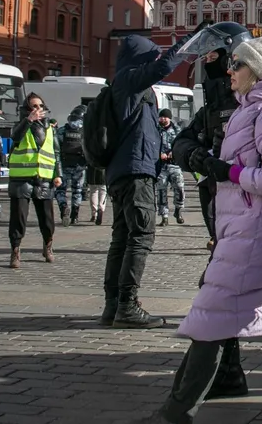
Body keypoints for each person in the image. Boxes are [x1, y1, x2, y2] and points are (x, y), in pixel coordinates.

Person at [137, 37, 262, 424]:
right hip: (246, 228)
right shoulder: (255, 106)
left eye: (237, 66)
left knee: (210, 317)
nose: (229, 72)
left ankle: (175, 412)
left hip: (256, 231)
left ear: (258, 71)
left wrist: (225, 171)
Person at [101, 31, 200, 329]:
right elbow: (161, 67)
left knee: (122, 238)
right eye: (151, 56)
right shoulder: (129, 80)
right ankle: (127, 306)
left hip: (125, 171)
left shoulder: (124, 85)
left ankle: (113, 306)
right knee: (141, 237)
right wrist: (190, 40)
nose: (155, 61)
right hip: (135, 172)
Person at [171, 21, 253, 250]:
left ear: (231, 57)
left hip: (248, 207)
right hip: (217, 207)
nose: (207, 61)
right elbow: (181, 141)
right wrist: (194, 156)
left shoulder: (251, 98)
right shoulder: (212, 105)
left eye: (212, 56)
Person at [8, 93, 62, 268]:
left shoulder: (50, 128)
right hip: (21, 179)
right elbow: (15, 138)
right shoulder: (20, 124)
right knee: (18, 218)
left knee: (47, 219)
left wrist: (57, 174)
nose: (37, 109)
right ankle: (15, 251)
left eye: (39, 106)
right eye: (33, 106)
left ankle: (48, 245)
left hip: (43, 179)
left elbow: (56, 152)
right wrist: (28, 120)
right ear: (27, 108)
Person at [56, 105, 88, 226]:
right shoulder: (84, 132)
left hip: (64, 165)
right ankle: (75, 215)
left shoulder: (62, 130)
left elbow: (56, 148)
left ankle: (64, 208)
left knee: (60, 190)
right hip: (79, 166)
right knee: (77, 191)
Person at [156, 109, 185, 227]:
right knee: (161, 191)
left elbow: (182, 144)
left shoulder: (177, 130)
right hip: (161, 166)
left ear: (169, 118)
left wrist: (174, 152)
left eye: (165, 117)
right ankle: (164, 216)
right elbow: (152, 144)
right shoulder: (156, 130)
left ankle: (178, 210)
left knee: (179, 188)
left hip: (175, 165)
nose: (162, 119)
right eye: (161, 117)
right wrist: (159, 154)